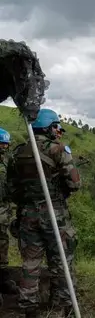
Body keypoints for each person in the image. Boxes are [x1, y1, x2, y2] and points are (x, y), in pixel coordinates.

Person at [6, 108, 81, 318]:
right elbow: (75, 184)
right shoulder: (58, 150)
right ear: (49, 127)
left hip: (28, 214)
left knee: (31, 263)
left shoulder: (18, 152)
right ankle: (61, 306)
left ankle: (28, 306)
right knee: (61, 260)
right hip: (55, 213)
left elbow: (10, 189)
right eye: (56, 126)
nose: (58, 130)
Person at [0, 127, 18, 297]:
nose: (4, 148)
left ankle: (3, 278)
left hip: (3, 211)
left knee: (2, 243)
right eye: (2, 144)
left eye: (6, 145)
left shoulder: (7, 161)